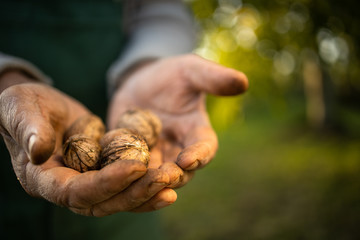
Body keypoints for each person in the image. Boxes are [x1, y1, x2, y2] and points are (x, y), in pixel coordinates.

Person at [0, 0, 248, 239]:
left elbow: (164, 8)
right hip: (9, 179)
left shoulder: (109, 139)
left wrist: (147, 63)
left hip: (124, 213)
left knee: (133, 189)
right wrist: (6, 79)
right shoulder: (81, 143)